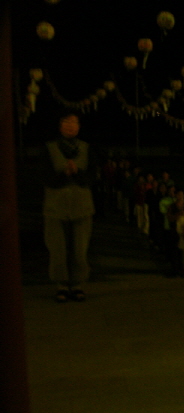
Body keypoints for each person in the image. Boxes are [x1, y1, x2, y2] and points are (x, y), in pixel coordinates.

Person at [42, 111, 98, 302]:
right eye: (66, 122)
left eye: (74, 122)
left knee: (79, 249)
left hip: (82, 206)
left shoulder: (87, 148)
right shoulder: (49, 148)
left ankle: (77, 283)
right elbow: (45, 177)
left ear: (79, 126)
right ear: (60, 125)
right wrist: (63, 174)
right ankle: (61, 284)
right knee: (57, 249)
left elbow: (91, 177)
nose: (70, 125)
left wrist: (77, 172)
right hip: (55, 207)